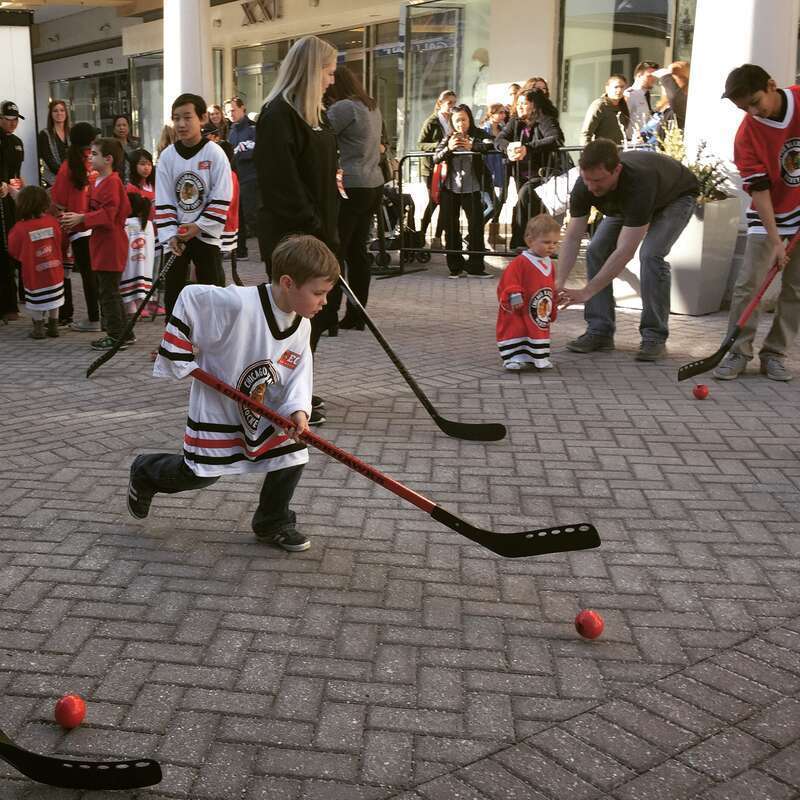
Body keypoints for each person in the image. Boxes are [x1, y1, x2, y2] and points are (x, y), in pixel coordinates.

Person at [126, 234, 341, 553]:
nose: (324, 302)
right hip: (219, 407)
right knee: (200, 475)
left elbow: (296, 372)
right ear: (288, 283)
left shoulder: (302, 325)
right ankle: (146, 472)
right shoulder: (239, 303)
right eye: (319, 293)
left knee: (291, 456)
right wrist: (179, 349)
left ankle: (273, 522)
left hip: (264, 406)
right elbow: (190, 297)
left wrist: (298, 411)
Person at [557, 138, 698, 362]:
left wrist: (587, 291)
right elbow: (573, 237)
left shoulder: (638, 183)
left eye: (598, 180)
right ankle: (600, 331)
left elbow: (625, 250)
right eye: (587, 180)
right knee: (596, 250)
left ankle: (654, 336)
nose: (592, 188)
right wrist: (558, 284)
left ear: (617, 170)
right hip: (626, 203)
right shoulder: (585, 186)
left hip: (675, 197)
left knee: (651, 255)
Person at [254, 34, 340, 370]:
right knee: (289, 316)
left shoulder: (318, 116)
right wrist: (312, 224)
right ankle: (276, 383)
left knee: (316, 315)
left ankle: (296, 384)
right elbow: (280, 182)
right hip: (293, 236)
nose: (332, 81)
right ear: (311, 70)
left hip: (322, 232)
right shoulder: (278, 115)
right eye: (329, 72)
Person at [713, 64, 800, 382]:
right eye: (743, 108)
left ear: (772, 85)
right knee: (747, 285)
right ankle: (737, 352)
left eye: (755, 102)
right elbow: (759, 191)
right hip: (769, 216)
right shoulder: (747, 134)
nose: (752, 112)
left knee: (796, 289)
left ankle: (775, 354)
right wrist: (776, 240)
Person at [155, 92, 232, 315]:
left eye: (187, 117)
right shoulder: (167, 157)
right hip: (177, 237)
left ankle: (215, 342)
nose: (181, 123)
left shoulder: (215, 153)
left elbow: (222, 195)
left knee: (213, 290)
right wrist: (172, 235)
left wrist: (198, 226)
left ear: (202, 118)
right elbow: (164, 199)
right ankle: (173, 343)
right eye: (176, 118)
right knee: (174, 292)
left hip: (205, 233)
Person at [325, 65, 384, 329]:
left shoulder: (343, 108)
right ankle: (357, 314)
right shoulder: (370, 106)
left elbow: (322, 137)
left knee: (336, 250)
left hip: (350, 184)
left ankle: (329, 314)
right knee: (358, 252)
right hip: (373, 183)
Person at [60, 137, 132, 351]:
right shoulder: (99, 182)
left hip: (111, 245)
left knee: (108, 292)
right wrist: (78, 221)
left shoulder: (111, 182)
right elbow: (97, 214)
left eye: (95, 154)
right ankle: (125, 333)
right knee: (111, 291)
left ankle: (115, 335)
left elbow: (109, 215)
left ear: (108, 159)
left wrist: (81, 219)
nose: (90, 157)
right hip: (104, 244)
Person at [496, 89, 564, 249]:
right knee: (528, 207)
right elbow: (499, 139)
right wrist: (509, 148)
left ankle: (519, 243)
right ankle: (532, 245)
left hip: (542, 174)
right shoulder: (515, 121)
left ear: (534, 105)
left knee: (524, 198)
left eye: (524, 103)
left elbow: (556, 139)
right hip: (521, 174)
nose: (519, 107)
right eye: (518, 103)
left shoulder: (545, 119)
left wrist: (528, 147)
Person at [433, 103, 494, 278]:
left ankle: (475, 267)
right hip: (450, 189)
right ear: (452, 122)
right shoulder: (449, 137)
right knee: (451, 229)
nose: (461, 124)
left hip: (473, 188)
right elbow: (436, 157)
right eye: (457, 120)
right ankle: (455, 267)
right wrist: (449, 149)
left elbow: (493, 144)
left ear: (470, 119)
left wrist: (473, 146)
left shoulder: (478, 135)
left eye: (464, 120)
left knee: (476, 228)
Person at [52, 121, 99, 331]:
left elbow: (58, 202)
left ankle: (91, 318)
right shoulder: (92, 162)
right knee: (92, 274)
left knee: (82, 273)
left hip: (78, 226)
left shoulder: (69, 166)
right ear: (89, 142)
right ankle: (96, 318)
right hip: (89, 224)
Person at [496, 214, 560, 370]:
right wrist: (514, 294)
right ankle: (513, 358)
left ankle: (537, 358)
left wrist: (553, 303)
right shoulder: (521, 262)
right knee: (516, 329)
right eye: (546, 242)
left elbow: (551, 285)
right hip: (520, 307)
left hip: (539, 308)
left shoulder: (549, 263)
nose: (551, 246)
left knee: (536, 330)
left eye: (555, 243)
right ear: (530, 241)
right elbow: (510, 280)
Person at [7, 185, 64, 339]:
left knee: (36, 302)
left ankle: (38, 327)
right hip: (55, 270)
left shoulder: (20, 228)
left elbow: (13, 248)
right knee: (55, 300)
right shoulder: (52, 221)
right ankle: (53, 325)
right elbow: (59, 240)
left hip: (34, 272)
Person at [417, 89, 457, 248]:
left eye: (455, 103)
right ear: (440, 103)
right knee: (434, 201)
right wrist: (440, 146)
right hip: (431, 169)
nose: (452, 106)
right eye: (449, 103)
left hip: (448, 168)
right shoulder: (432, 121)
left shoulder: (454, 120)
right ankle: (422, 233)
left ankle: (437, 237)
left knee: (446, 203)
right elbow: (420, 144)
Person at [0, 99, 25, 322]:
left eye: (15, 120)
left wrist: (17, 185)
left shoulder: (17, 142)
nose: (12, 123)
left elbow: (15, 173)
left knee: (12, 247)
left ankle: (13, 301)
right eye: (8, 119)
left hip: (11, 198)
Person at [225, 97, 258, 260]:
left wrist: (240, 151)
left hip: (250, 178)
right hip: (236, 178)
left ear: (242, 109)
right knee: (240, 215)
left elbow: (254, 151)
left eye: (233, 110)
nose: (230, 114)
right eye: (228, 111)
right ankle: (241, 250)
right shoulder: (231, 130)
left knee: (252, 215)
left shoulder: (252, 128)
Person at [120, 191, 154, 317]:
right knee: (141, 286)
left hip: (129, 265)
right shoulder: (148, 224)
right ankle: (141, 308)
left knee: (128, 284)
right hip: (145, 265)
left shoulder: (125, 223)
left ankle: (131, 309)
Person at [481, 103, 509, 245]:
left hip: (502, 168)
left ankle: (493, 233)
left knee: (502, 199)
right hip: (488, 169)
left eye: (504, 112)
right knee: (492, 203)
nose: (502, 115)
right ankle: (478, 231)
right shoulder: (484, 129)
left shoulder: (503, 128)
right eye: (499, 112)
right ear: (491, 114)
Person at [580, 75, 630, 145]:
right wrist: (587, 153)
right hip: (602, 151)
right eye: (616, 87)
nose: (619, 90)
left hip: (619, 151)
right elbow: (586, 133)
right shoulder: (599, 106)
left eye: (622, 87)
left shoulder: (623, 106)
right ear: (607, 88)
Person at [38, 99, 70, 189]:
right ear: (51, 114)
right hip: (52, 182)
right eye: (55, 111)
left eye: (62, 110)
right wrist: (66, 174)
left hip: (71, 180)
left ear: (66, 113)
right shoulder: (44, 134)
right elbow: (49, 160)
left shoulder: (71, 132)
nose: (59, 113)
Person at [624, 61, 659, 141]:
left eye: (654, 76)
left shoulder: (649, 96)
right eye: (649, 76)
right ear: (639, 75)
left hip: (647, 141)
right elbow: (622, 121)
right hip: (633, 143)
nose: (653, 79)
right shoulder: (629, 95)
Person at [653, 61, 690, 133]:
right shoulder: (663, 106)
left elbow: (675, 98)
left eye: (671, 79)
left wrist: (665, 76)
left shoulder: (684, 106)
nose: (662, 83)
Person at [112, 115, 139, 182]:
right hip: (116, 181)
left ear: (129, 128)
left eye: (124, 125)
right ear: (114, 128)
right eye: (118, 125)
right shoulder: (110, 146)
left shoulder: (135, 146)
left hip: (133, 182)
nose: (121, 128)